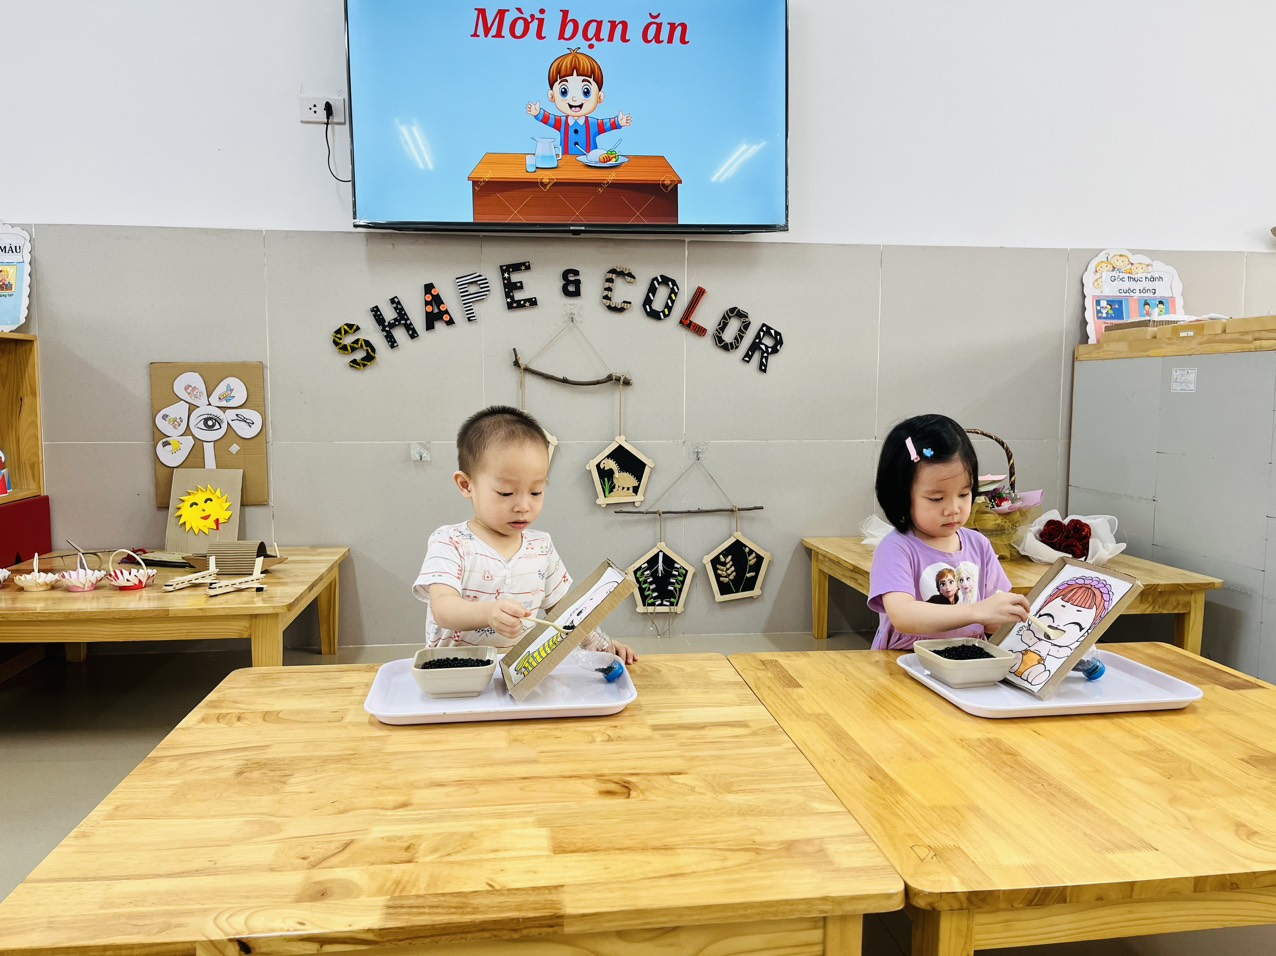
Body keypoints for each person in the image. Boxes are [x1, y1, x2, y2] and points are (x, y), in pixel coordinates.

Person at [412, 405, 637, 663]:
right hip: (453, 673)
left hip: (517, 673)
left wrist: (602, 645)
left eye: (536, 492)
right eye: (506, 493)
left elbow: (565, 613)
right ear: (466, 485)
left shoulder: (541, 547)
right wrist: (487, 613)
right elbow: (443, 607)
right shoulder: (450, 542)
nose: (523, 506)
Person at [868, 413, 1030, 650]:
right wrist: (976, 611)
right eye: (936, 498)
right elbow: (903, 616)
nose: (953, 509)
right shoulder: (896, 548)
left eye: (964, 494)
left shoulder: (979, 545)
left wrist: (1010, 616)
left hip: (968, 661)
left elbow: (993, 620)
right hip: (904, 662)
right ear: (901, 496)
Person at [526, 48, 632, 158]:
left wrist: (618, 122)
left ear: (599, 97)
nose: (574, 98)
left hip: (590, 162)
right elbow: (549, 118)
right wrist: (538, 113)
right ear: (552, 96)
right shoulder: (561, 123)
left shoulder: (592, 124)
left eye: (586, 91)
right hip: (566, 163)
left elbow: (606, 124)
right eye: (564, 91)